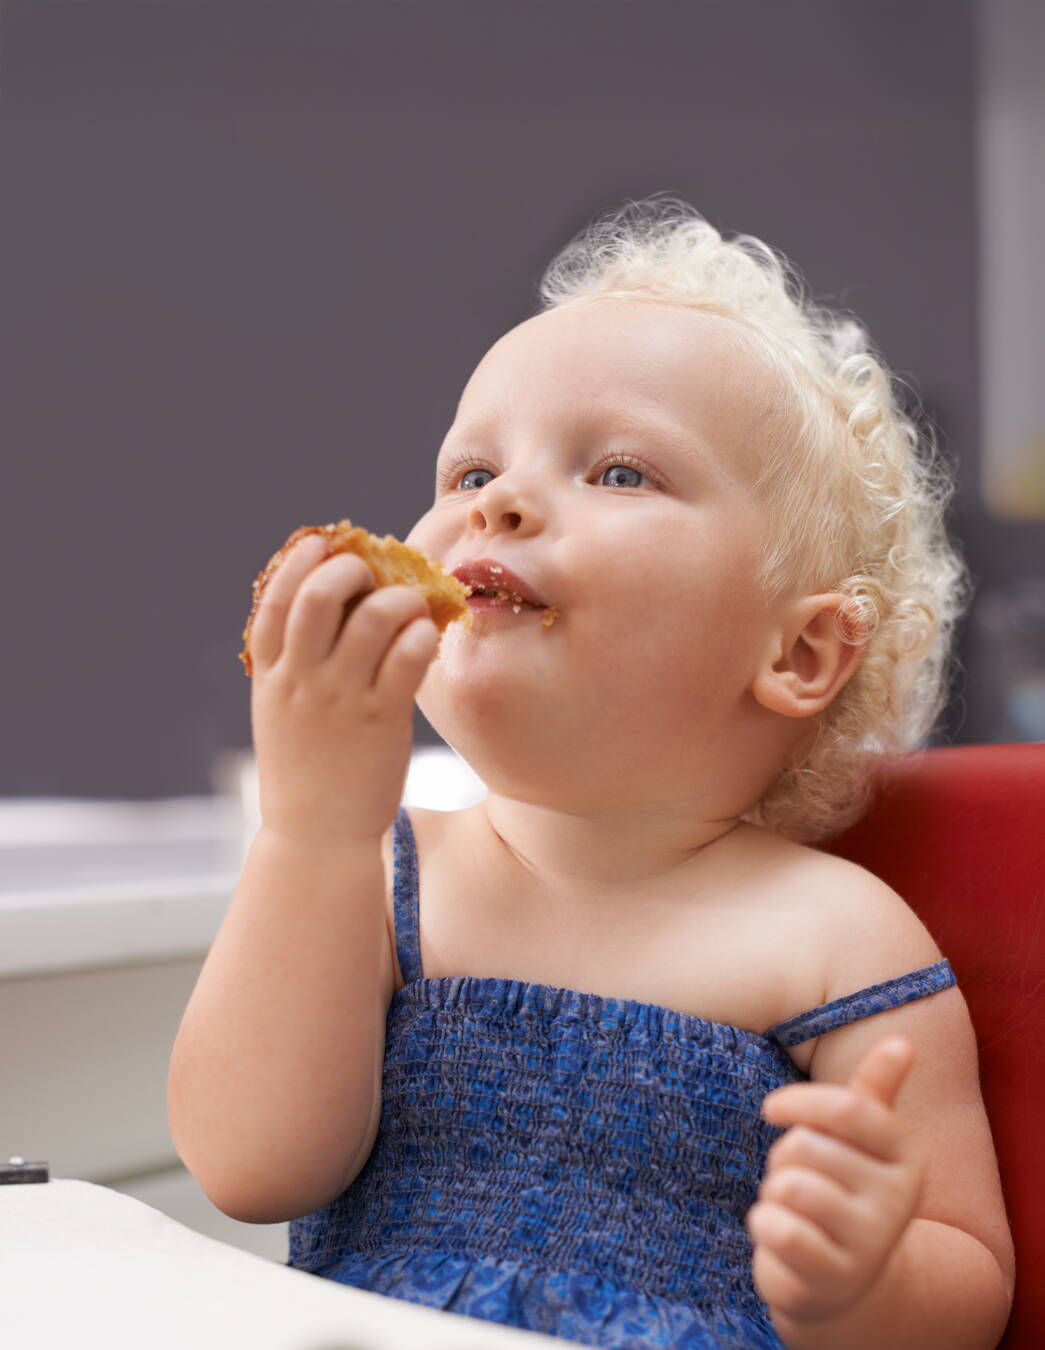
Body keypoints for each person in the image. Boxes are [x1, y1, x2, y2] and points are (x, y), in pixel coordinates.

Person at [168, 197, 1015, 1350]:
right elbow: (251, 1167)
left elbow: (972, 1281)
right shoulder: (374, 868)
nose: (495, 502)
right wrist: (309, 825)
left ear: (799, 650)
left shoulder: (838, 938)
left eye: (618, 471)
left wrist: (866, 1277)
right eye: (470, 467)